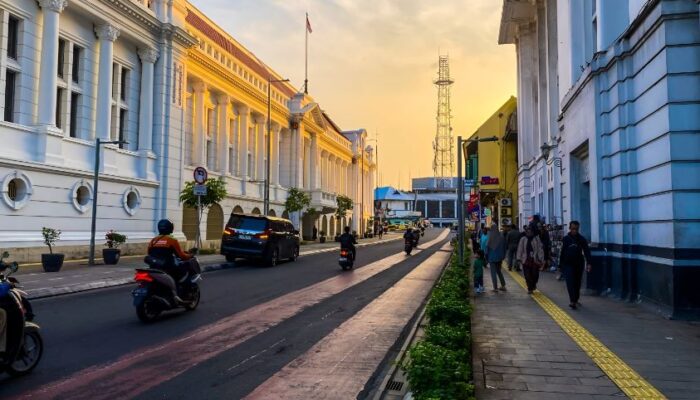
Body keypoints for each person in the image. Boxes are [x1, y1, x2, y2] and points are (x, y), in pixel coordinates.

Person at [147, 219, 200, 290]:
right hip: (168, 267)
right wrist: (190, 255)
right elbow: (181, 256)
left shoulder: (153, 241)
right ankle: (179, 291)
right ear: (170, 228)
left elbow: (149, 253)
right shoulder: (172, 240)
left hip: (154, 267)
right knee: (183, 273)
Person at [559, 221, 592, 309]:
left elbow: (586, 251)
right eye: (573, 229)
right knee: (570, 282)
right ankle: (572, 301)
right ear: (570, 228)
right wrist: (560, 265)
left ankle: (576, 299)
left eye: (576, 229)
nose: (575, 231)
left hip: (578, 264)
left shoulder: (581, 239)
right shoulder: (566, 239)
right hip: (568, 264)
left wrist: (589, 263)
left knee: (577, 283)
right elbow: (562, 252)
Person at [517, 226, 544, 294]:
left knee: (535, 274)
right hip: (525, 259)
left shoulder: (536, 239)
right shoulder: (523, 239)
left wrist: (541, 258)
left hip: (535, 260)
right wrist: (518, 258)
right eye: (527, 232)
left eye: (530, 232)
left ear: (532, 232)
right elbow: (520, 248)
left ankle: (534, 284)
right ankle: (530, 288)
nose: (528, 233)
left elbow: (540, 249)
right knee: (527, 275)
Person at [485, 223, 507, 292]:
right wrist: (503, 255)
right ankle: (503, 285)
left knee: (493, 272)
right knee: (499, 271)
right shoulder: (501, 237)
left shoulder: (490, 236)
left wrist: (486, 255)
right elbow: (504, 247)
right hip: (500, 257)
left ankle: (495, 288)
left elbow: (487, 247)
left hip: (492, 257)